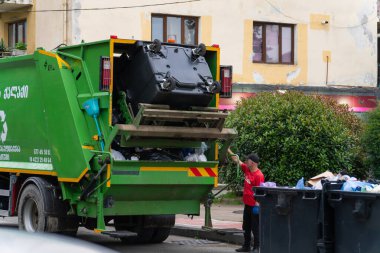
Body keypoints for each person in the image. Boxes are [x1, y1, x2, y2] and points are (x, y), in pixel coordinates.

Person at [228, 148, 264, 253]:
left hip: (254, 205)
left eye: (248, 160)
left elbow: (260, 192)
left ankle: (257, 247)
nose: (246, 161)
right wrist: (228, 150)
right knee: (246, 226)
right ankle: (246, 246)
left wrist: (257, 206)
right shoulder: (247, 169)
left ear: (252, 163)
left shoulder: (259, 175)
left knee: (255, 227)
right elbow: (236, 160)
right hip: (247, 204)